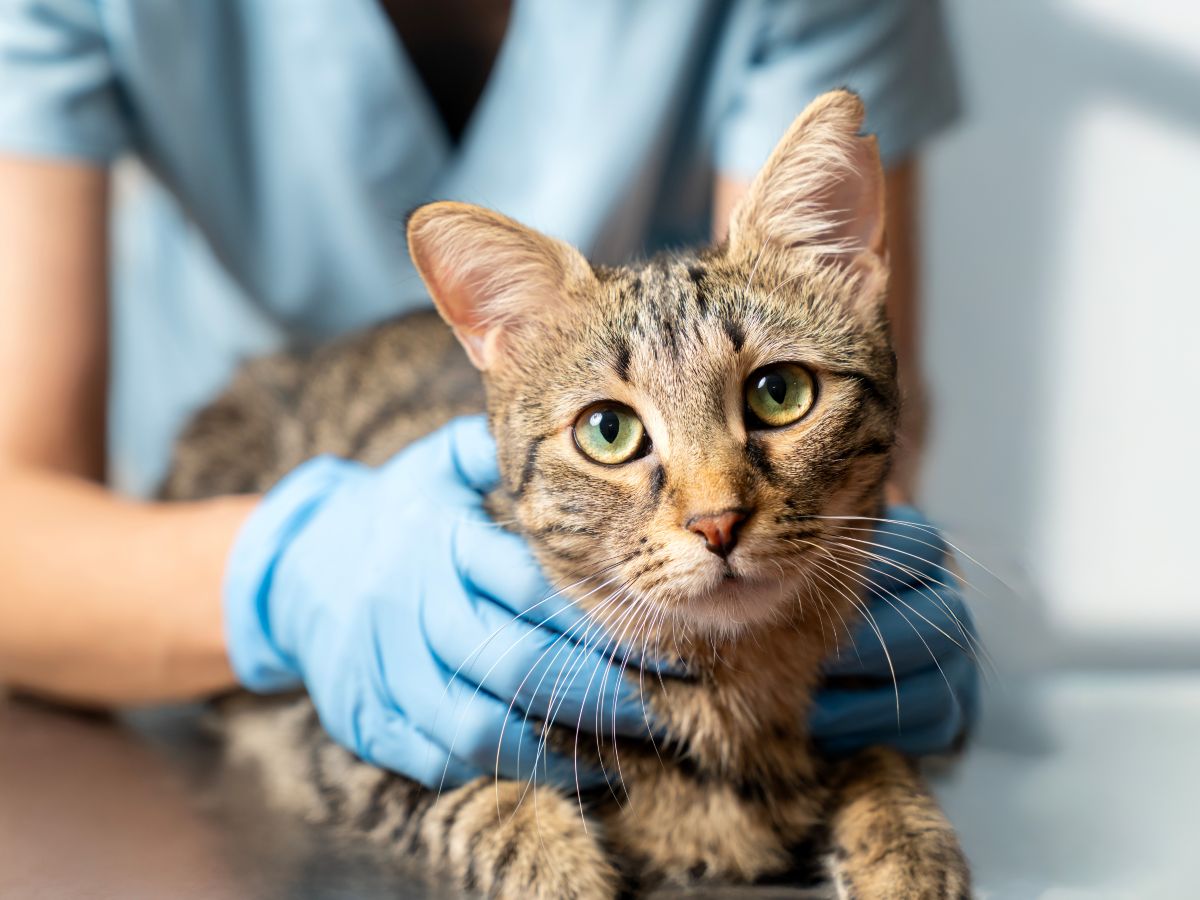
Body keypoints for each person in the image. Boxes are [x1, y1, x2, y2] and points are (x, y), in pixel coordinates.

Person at [0, 0, 975, 787]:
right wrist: (286, 580)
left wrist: (850, 604)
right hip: (177, 602)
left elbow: (832, 370)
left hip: (646, 584)